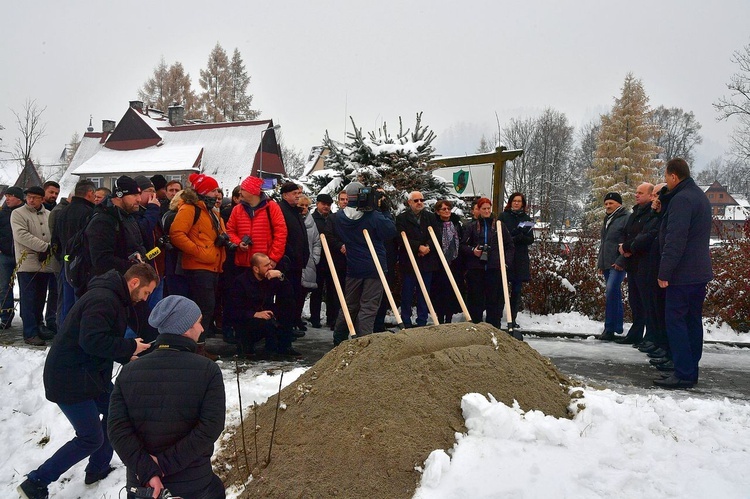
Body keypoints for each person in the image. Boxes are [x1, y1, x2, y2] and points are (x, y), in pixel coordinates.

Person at [17, 264, 156, 499]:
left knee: (117, 413)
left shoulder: (115, 297)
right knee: (90, 437)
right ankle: (35, 483)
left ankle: (97, 469)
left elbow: (100, 340)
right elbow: (91, 341)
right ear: (134, 283)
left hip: (88, 374)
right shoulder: (103, 299)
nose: (145, 299)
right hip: (68, 378)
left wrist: (125, 355)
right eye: (146, 292)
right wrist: (129, 346)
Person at [108, 295, 226, 499]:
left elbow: (117, 430)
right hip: (193, 483)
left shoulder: (129, 372)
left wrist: (148, 470)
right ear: (186, 327)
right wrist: (162, 465)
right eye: (198, 322)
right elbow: (210, 427)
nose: (202, 329)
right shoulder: (208, 370)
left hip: (143, 485)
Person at [654, 158, 713, 389]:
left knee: (676, 321)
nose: (665, 182)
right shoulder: (698, 196)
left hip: (682, 274)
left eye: (666, 178)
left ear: (674, 177)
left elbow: (675, 239)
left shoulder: (682, 200)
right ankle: (690, 369)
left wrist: (664, 271)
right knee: (691, 321)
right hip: (698, 272)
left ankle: (683, 372)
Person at [330, 182, 397, 346]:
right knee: (368, 307)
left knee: (350, 305)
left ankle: (339, 338)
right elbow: (390, 231)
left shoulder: (339, 217)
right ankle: (363, 342)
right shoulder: (373, 216)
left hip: (353, 266)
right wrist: (384, 210)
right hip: (375, 267)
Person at [169, 173, 227, 356]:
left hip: (211, 265)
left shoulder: (207, 209)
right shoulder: (189, 208)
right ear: (203, 191)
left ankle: (199, 348)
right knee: (202, 309)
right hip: (198, 267)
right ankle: (196, 350)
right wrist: (200, 251)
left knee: (206, 309)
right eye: (213, 190)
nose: (217, 194)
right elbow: (177, 234)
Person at [11, 186, 59, 346]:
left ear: (41, 199)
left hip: (45, 264)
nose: (31, 200)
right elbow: (21, 235)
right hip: (28, 263)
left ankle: (39, 326)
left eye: (35, 197)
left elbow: (54, 234)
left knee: (40, 298)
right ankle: (30, 332)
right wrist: (45, 247)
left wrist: (51, 247)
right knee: (29, 299)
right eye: (29, 197)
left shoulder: (48, 215)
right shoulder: (18, 213)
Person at [230, 252, 299, 358]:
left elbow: (289, 293)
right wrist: (255, 314)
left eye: (270, 264)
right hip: (248, 319)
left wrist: (280, 276)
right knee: (262, 324)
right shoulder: (241, 282)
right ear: (256, 269)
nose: (270, 267)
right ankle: (247, 346)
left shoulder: (270, 277)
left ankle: (284, 347)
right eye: (266, 265)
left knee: (288, 305)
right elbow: (233, 311)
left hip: (266, 312)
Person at [460, 197, 514, 330]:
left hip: (494, 268)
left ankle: (493, 328)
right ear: (478, 209)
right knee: (475, 300)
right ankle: (476, 328)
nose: (486, 211)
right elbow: (462, 246)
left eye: (488, 208)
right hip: (476, 269)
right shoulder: (472, 226)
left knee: (494, 301)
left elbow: (510, 246)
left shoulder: (499, 226)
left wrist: (505, 263)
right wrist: (474, 251)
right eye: (483, 208)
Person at [51, 180, 96, 326]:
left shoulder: (62, 212)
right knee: (81, 304)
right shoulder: (89, 212)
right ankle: (77, 339)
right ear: (90, 193)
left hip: (66, 263)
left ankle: (64, 337)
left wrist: (63, 258)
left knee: (67, 304)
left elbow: (55, 240)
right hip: (83, 266)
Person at [614, 183, 655, 345]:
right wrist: (623, 247)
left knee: (646, 301)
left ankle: (649, 336)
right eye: (636, 192)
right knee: (635, 300)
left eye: (640, 193)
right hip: (632, 263)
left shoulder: (651, 214)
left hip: (644, 263)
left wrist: (629, 247)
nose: (636, 195)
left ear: (651, 195)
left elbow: (645, 236)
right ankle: (636, 332)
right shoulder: (635, 213)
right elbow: (625, 233)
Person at [396, 191, 441, 327]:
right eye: (416, 200)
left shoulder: (430, 217)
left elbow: (436, 235)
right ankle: (406, 321)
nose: (419, 202)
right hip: (409, 261)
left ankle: (422, 321)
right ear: (410, 202)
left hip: (427, 261)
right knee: (407, 293)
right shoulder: (402, 218)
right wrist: (418, 247)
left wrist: (427, 247)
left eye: (421, 200)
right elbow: (400, 238)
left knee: (424, 293)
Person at [226, 175, 287, 269]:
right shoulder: (237, 209)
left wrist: (273, 258)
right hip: (242, 264)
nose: (239, 192)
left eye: (243, 189)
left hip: (265, 265)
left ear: (252, 191)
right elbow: (230, 231)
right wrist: (238, 243)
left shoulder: (271, 207)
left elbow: (281, 234)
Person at [596, 192, 629, 341]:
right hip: (607, 262)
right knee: (614, 293)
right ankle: (617, 327)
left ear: (619, 204)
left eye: (611, 203)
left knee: (611, 290)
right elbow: (604, 243)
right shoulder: (607, 219)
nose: (608, 206)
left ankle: (609, 328)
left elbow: (628, 241)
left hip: (618, 263)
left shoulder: (626, 218)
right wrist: (600, 263)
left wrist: (621, 260)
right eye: (606, 203)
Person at [278, 182, 310, 332]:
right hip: (287, 263)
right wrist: (290, 255)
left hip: (297, 263)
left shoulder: (294, 211)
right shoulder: (281, 210)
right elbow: (283, 237)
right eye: (294, 194)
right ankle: (284, 331)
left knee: (294, 297)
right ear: (285, 195)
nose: (298, 196)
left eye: (299, 193)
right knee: (286, 299)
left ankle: (290, 326)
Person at [500, 192, 534, 330]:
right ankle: (498, 317)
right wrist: (512, 237)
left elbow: (530, 239)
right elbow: (499, 234)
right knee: (501, 289)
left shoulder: (526, 218)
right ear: (510, 202)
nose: (516, 203)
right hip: (506, 256)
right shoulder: (503, 216)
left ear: (522, 204)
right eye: (514, 201)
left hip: (520, 258)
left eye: (519, 201)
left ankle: (512, 319)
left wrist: (521, 237)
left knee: (516, 291)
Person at [430, 199, 463, 324]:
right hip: (438, 263)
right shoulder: (434, 224)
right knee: (439, 292)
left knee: (451, 292)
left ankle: (449, 318)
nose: (447, 211)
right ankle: (439, 318)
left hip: (453, 262)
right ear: (438, 212)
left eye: (448, 209)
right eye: (443, 209)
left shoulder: (456, 224)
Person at [309, 193, 335, 328]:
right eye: (323, 204)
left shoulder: (333, 218)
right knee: (316, 291)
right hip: (318, 261)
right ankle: (315, 318)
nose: (326, 207)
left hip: (332, 260)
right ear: (318, 204)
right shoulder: (312, 219)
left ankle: (332, 319)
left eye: (328, 205)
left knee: (332, 291)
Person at [0, 186, 25, 330]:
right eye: (6, 196)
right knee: (5, 287)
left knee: (25, 287)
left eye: (10, 196)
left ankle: (26, 317)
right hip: (5, 255)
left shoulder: (24, 213)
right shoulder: (2, 213)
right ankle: (5, 316)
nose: (7, 199)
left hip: (22, 255)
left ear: (18, 198)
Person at [299, 194, 321, 328]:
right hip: (296, 262)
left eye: (307, 206)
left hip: (309, 263)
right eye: (302, 205)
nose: (304, 208)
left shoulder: (311, 221)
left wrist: (315, 258)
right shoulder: (293, 219)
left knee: (303, 293)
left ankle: (298, 319)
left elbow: (317, 241)